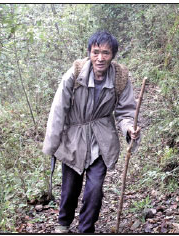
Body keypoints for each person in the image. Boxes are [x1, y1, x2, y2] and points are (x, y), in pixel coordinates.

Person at [42, 31, 141, 233]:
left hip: (101, 139)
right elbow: (58, 109)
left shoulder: (120, 77)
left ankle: (86, 229)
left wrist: (129, 128)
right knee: (70, 188)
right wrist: (52, 144)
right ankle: (63, 223)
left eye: (106, 52)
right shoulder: (75, 74)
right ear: (89, 53)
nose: (100, 58)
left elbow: (125, 112)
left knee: (94, 189)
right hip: (73, 138)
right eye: (96, 52)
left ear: (112, 55)